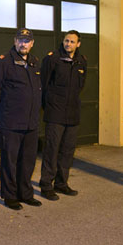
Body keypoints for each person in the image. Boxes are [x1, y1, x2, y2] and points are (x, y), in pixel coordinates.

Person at [0, 28, 42, 210]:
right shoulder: (3, 63)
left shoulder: (35, 63)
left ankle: (26, 194)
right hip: (10, 122)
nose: (23, 44)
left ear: (32, 43)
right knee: (10, 162)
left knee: (28, 161)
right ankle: (10, 196)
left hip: (31, 123)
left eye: (27, 41)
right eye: (20, 40)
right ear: (15, 41)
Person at [39, 30, 87, 200]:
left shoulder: (82, 62)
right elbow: (43, 85)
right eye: (67, 41)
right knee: (51, 150)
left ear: (78, 44)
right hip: (55, 113)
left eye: (72, 42)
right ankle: (46, 185)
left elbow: (80, 87)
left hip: (73, 113)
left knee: (67, 151)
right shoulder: (52, 59)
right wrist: (49, 105)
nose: (69, 44)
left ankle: (61, 183)